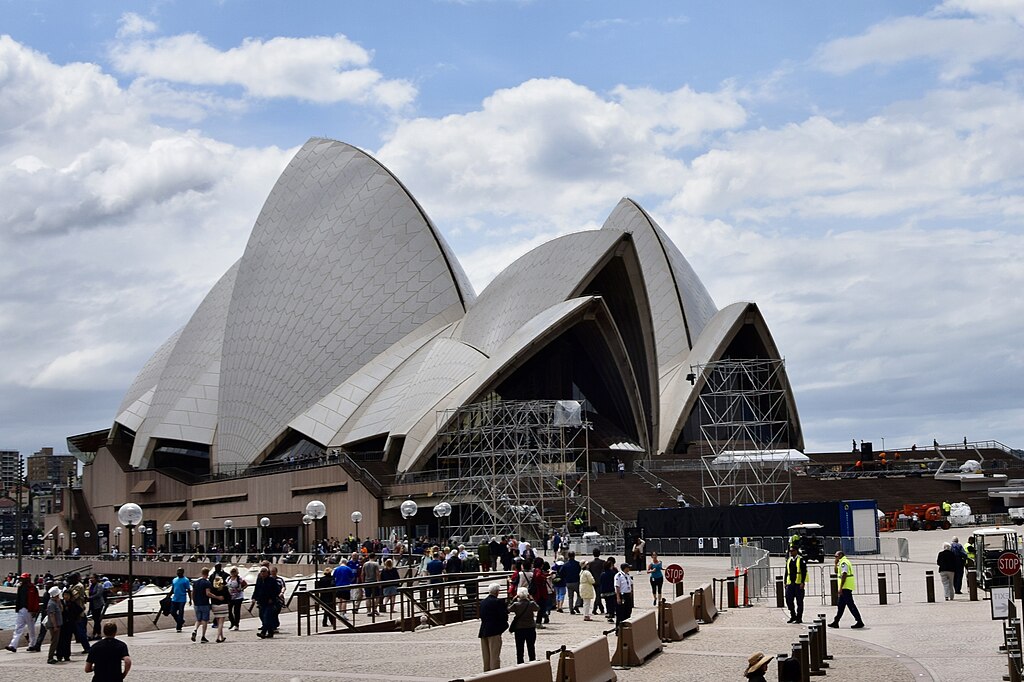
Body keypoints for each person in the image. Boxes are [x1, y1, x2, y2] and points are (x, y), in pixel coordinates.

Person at [829, 551, 863, 629]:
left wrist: (840, 588)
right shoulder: (842, 562)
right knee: (840, 606)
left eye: (836, 556)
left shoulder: (844, 563)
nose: (835, 558)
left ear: (841, 555)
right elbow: (836, 571)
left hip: (846, 587)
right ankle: (836, 621)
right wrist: (835, 564)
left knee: (851, 605)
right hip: (845, 587)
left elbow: (844, 574)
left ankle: (859, 621)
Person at [5, 572, 39, 652]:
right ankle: (13, 646)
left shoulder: (33, 588)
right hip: (21, 610)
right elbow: (18, 599)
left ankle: (32, 645)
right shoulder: (20, 587)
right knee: (18, 628)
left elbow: (35, 600)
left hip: (30, 610)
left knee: (31, 629)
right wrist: (17, 609)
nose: (21, 580)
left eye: (23, 578)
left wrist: (35, 610)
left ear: (27, 579)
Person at [478, 583, 507, 672]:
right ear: (497, 592)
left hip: (483, 630)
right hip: (494, 631)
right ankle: (494, 675)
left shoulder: (482, 602)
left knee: (486, 656)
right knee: (494, 656)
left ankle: (486, 673)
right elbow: (504, 617)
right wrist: (503, 627)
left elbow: (481, 615)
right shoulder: (498, 602)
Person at [508, 587, 539, 664]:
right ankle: (532, 662)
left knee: (519, 648)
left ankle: (520, 663)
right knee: (531, 647)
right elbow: (537, 608)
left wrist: (513, 600)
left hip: (519, 628)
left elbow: (508, 609)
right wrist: (531, 599)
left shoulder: (516, 605)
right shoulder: (531, 604)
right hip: (530, 627)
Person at [252, 566, 281, 638]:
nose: (262, 573)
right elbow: (256, 589)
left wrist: (272, 598)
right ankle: (270, 632)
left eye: (264, 571)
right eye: (261, 572)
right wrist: (254, 597)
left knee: (266, 617)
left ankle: (263, 632)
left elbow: (277, 590)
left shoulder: (272, 580)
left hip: (270, 602)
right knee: (262, 616)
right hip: (261, 601)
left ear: (267, 573)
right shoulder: (259, 580)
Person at [784, 545, 807, 624]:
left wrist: (802, 582)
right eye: (790, 551)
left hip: (798, 583)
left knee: (799, 601)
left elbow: (804, 572)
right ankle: (793, 615)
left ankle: (799, 618)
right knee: (788, 599)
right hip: (790, 583)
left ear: (796, 551)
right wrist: (785, 582)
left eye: (792, 551)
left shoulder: (801, 560)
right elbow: (786, 572)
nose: (791, 552)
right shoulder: (789, 560)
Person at [191, 567, 212, 642]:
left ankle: (195, 630)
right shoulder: (207, 583)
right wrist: (217, 597)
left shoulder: (195, 582)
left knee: (198, 620)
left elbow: (192, 593)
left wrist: (193, 600)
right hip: (204, 603)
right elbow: (208, 593)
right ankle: (203, 636)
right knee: (204, 620)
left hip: (197, 604)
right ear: (207, 574)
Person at [209, 576, 231, 642]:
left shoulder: (212, 588)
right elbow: (228, 597)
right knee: (221, 623)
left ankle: (222, 636)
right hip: (223, 606)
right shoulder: (224, 588)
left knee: (218, 623)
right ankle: (218, 637)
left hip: (215, 606)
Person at [43, 586, 62, 664]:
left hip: (57, 624)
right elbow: (52, 615)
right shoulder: (51, 604)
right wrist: (55, 626)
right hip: (54, 625)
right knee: (54, 641)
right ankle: (50, 657)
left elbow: (61, 610)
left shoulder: (55, 602)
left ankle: (53, 655)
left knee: (55, 641)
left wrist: (59, 602)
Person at [170, 567, 191, 633]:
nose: (178, 573)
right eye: (177, 571)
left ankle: (179, 627)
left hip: (182, 599)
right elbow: (172, 589)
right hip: (175, 599)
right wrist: (168, 596)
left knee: (181, 613)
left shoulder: (186, 580)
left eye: (180, 572)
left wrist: (190, 599)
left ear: (182, 572)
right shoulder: (174, 580)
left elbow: (188, 590)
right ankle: (181, 621)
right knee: (173, 612)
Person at [614, 562, 634, 630]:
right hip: (622, 595)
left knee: (628, 611)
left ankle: (626, 627)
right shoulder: (618, 575)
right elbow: (617, 587)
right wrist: (618, 597)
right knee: (620, 613)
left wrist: (631, 592)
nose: (629, 569)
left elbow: (631, 583)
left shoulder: (627, 575)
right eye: (628, 567)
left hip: (627, 595)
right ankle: (618, 629)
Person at [226, 567, 247, 631]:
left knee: (236, 611)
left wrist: (241, 589)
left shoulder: (239, 579)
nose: (233, 573)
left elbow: (245, 584)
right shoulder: (228, 578)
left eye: (234, 572)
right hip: (230, 597)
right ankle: (232, 622)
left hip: (238, 597)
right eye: (232, 572)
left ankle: (236, 624)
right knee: (229, 611)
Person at [587, 550, 606, 616]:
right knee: (598, 595)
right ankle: (594, 609)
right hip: (601, 581)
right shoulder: (603, 562)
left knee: (598, 594)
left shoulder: (590, 563)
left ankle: (601, 608)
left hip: (594, 581)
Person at [88, 574, 106, 640]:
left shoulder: (99, 585)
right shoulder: (91, 586)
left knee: (97, 620)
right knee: (96, 620)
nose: (91, 579)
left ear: (96, 578)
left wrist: (90, 598)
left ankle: (96, 634)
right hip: (92, 605)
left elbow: (98, 594)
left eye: (92, 578)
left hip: (98, 605)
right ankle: (96, 634)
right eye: (90, 578)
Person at [600, 558, 618, 623]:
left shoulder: (602, 574)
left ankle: (608, 613)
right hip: (612, 591)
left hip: (605, 591)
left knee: (607, 603)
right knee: (612, 604)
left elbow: (601, 583)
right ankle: (611, 614)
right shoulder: (613, 573)